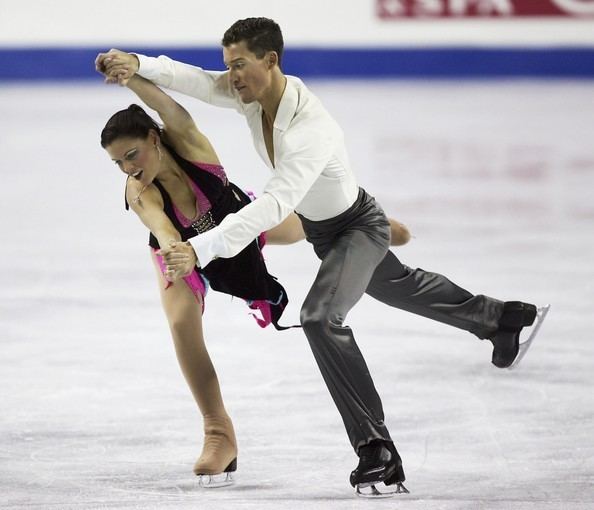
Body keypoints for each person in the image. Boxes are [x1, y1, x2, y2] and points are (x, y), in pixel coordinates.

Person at [96, 17, 547, 497]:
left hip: (355, 226)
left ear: (270, 61)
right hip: (322, 229)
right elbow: (201, 84)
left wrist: (200, 246)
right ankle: (500, 318)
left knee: (319, 316)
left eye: (240, 65)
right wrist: (138, 65)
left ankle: (377, 450)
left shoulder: (309, 128)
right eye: (229, 65)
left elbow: (273, 205)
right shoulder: (252, 98)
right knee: (400, 285)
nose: (231, 76)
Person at [98, 68, 412, 488]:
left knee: (302, 224)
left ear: (153, 139)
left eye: (131, 155)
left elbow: (168, 107)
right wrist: (177, 253)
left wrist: (130, 75)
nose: (127, 169)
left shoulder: (189, 145)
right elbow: (164, 228)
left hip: (238, 225)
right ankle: (218, 432)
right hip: (182, 258)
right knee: (180, 325)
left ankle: (370, 225)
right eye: (117, 162)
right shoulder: (139, 191)